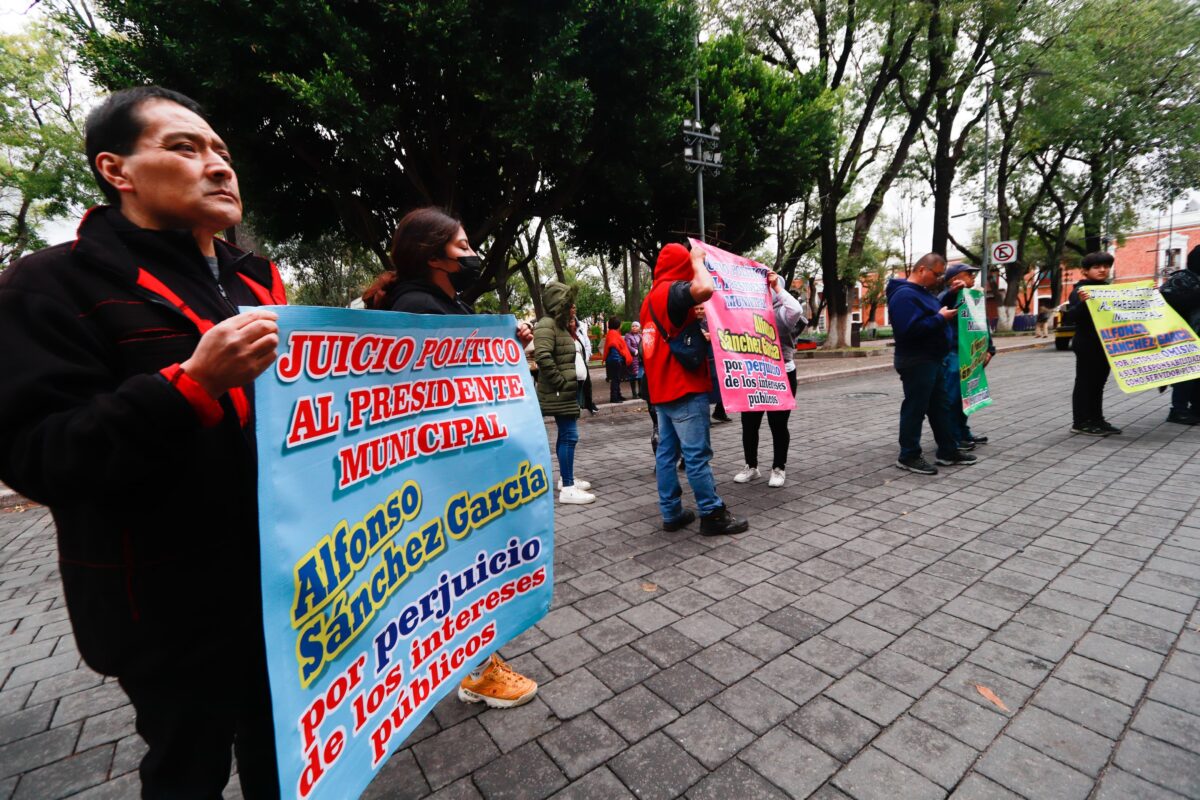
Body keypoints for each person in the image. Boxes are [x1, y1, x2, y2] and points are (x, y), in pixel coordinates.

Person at [0, 87, 285, 798]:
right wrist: (189, 386)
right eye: (184, 148)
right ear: (117, 170)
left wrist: (468, 360)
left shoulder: (257, 279)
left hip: (283, 589)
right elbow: (39, 457)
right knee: (187, 769)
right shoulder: (46, 285)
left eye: (222, 151)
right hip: (166, 613)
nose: (219, 166)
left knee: (282, 755)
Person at [362, 206, 538, 708]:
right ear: (432, 255)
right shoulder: (417, 308)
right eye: (461, 246)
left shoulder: (442, 302)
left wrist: (505, 344)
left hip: (461, 464)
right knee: (460, 567)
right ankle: (476, 672)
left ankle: (477, 663)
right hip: (446, 471)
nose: (472, 254)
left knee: (471, 569)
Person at [641, 242, 749, 536]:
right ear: (681, 266)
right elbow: (705, 289)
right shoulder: (673, 291)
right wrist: (698, 260)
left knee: (666, 454)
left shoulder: (650, 298)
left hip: (661, 391)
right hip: (684, 388)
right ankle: (712, 513)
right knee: (696, 455)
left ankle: (671, 512)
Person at [886, 253, 978, 475]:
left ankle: (947, 450)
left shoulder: (921, 293)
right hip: (917, 360)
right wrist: (941, 319)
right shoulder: (904, 295)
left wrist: (949, 295)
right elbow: (908, 330)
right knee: (915, 408)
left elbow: (933, 308)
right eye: (937, 274)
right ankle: (908, 455)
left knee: (940, 407)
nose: (939, 279)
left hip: (932, 359)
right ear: (921, 271)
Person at [733, 270, 804, 488]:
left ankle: (778, 468)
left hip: (781, 375)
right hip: (754, 375)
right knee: (749, 424)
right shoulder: (747, 313)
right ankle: (751, 466)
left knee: (778, 425)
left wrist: (776, 287)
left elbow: (796, 309)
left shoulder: (784, 314)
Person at [533, 284, 595, 504]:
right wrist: (561, 382)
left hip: (566, 391)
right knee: (570, 436)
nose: (573, 306)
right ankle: (568, 488)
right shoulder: (547, 325)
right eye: (568, 302)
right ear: (558, 304)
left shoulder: (557, 325)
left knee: (566, 435)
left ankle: (565, 480)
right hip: (560, 392)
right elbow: (542, 355)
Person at [938, 264, 994, 450]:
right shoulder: (948, 296)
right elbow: (941, 305)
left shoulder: (973, 297)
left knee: (967, 396)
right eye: (969, 274)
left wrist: (990, 350)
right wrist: (954, 292)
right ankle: (953, 437)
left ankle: (963, 431)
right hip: (954, 354)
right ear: (955, 278)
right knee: (953, 398)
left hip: (973, 355)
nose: (973, 277)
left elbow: (981, 324)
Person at [1067, 252, 1122, 436]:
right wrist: (1083, 303)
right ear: (1085, 271)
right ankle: (1081, 422)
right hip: (1087, 343)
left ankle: (1097, 419)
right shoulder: (1080, 291)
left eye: (1106, 266)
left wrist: (1147, 293)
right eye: (1097, 267)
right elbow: (1072, 316)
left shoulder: (1108, 289)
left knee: (1099, 383)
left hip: (1105, 343)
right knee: (1085, 383)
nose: (1102, 270)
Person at [1160, 244, 1200, 425]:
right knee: (1185, 375)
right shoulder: (1181, 279)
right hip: (1182, 336)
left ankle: (1196, 408)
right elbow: (1166, 303)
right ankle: (1178, 410)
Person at [571, 314, 600, 414]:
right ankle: (577, 405)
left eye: (573, 321)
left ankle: (587, 404)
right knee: (575, 386)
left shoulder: (581, 332)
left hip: (582, 362)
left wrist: (585, 359)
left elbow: (587, 346)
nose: (572, 323)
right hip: (572, 364)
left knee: (586, 384)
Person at [603, 316, 633, 403]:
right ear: (618, 325)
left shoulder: (612, 333)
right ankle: (614, 397)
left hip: (613, 359)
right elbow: (614, 346)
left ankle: (618, 395)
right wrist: (619, 360)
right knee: (615, 379)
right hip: (615, 360)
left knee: (617, 378)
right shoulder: (614, 334)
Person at [624, 321, 645, 399]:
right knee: (632, 376)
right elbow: (627, 345)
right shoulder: (628, 336)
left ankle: (640, 392)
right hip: (633, 358)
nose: (634, 327)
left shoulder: (641, 336)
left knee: (641, 375)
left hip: (641, 359)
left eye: (636, 326)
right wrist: (634, 351)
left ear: (639, 328)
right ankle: (634, 393)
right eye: (633, 326)